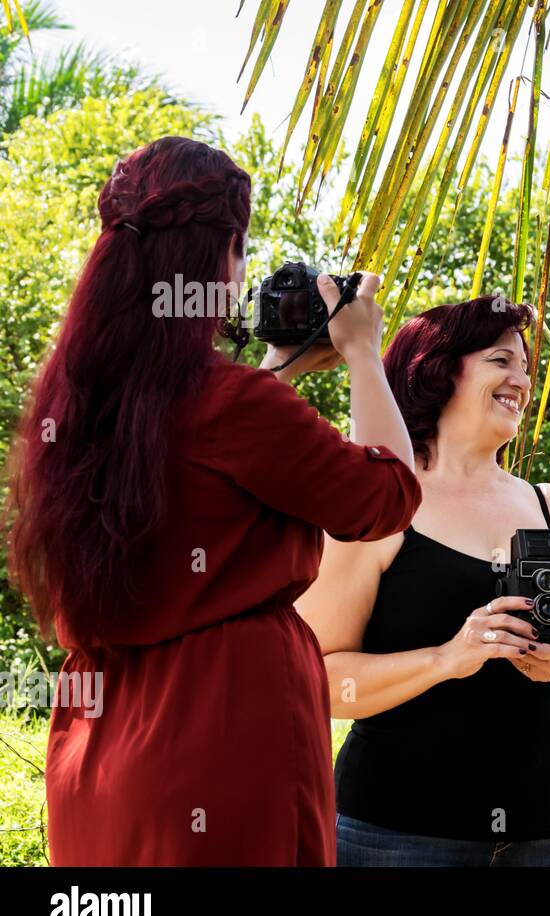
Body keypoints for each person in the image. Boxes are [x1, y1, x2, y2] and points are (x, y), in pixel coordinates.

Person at [5, 136, 421, 865]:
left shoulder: (75, 405)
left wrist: (273, 377)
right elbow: (387, 497)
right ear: (217, 256)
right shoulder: (231, 405)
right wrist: (362, 353)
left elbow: (210, 466)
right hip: (224, 732)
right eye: (238, 253)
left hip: (101, 749)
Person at [295, 295, 550, 867]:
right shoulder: (380, 503)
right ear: (437, 368)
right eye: (502, 361)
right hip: (396, 837)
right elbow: (317, 680)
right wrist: (449, 657)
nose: (521, 381)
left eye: (525, 368)